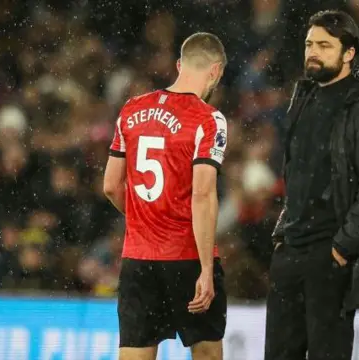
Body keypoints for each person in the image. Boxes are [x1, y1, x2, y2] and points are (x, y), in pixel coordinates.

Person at [266, 10, 359, 360]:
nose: (312, 51)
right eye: (309, 44)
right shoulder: (304, 97)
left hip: (329, 256)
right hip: (291, 252)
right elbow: (298, 174)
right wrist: (283, 235)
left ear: (349, 53)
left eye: (325, 46)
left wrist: (341, 248)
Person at [102, 32, 228, 360]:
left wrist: (147, 218)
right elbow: (202, 194)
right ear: (215, 71)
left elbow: (111, 186)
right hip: (186, 257)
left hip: (138, 260)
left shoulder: (131, 110)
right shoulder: (209, 119)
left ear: (178, 65)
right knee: (208, 354)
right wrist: (205, 269)